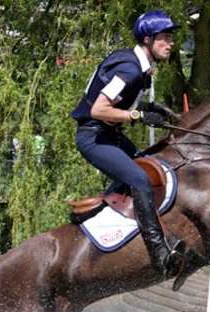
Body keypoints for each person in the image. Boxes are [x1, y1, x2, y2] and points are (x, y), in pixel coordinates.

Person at [71, 10, 185, 277]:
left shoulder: (138, 67)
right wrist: (138, 115)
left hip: (108, 134)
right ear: (148, 39)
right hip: (94, 137)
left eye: (171, 38)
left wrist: (150, 106)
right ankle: (158, 251)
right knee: (140, 180)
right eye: (165, 38)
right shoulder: (130, 69)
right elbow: (99, 109)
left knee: (149, 165)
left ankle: (100, 218)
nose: (171, 43)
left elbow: (121, 100)